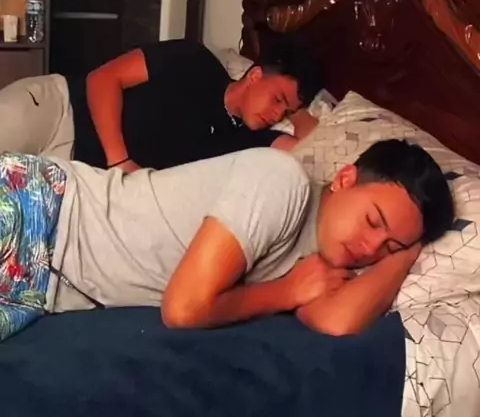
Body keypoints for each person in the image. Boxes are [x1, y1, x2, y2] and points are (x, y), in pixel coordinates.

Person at [0, 138, 454, 342]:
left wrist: (409, 248)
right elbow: (183, 309)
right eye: (373, 221)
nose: (371, 247)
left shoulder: (329, 264)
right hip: (45, 210)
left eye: (388, 246)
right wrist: (286, 293)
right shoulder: (282, 181)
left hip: (43, 286)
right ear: (345, 179)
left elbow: (337, 321)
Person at [0, 39, 322, 172]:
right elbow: (102, 79)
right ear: (254, 76)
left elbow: (311, 150)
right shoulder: (196, 60)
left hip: (70, 171)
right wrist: (119, 161)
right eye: (278, 99)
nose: (277, 114)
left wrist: (300, 111)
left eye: (285, 112)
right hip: (59, 108)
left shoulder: (246, 139)